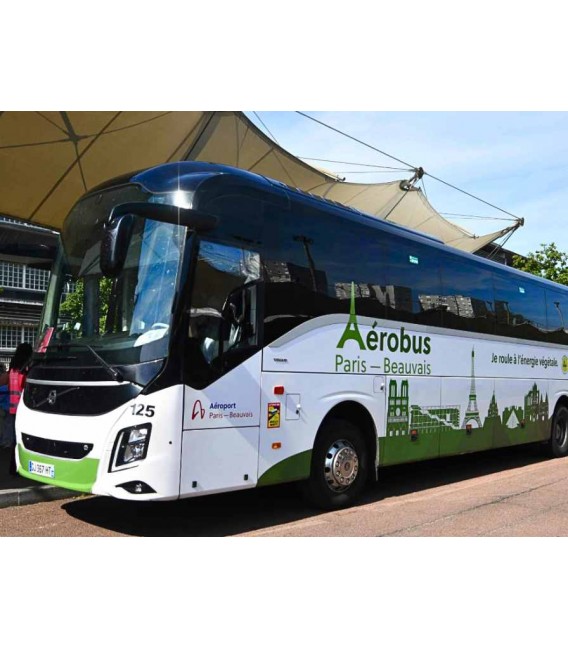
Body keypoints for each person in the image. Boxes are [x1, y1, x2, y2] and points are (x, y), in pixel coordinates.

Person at [0, 344, 33, 475]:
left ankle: (13, 467)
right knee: (21, 440)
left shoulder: (12, 371)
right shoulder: (25, 372)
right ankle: (19, 467)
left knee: (14, 439)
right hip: (23, 409)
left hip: (12, 408)